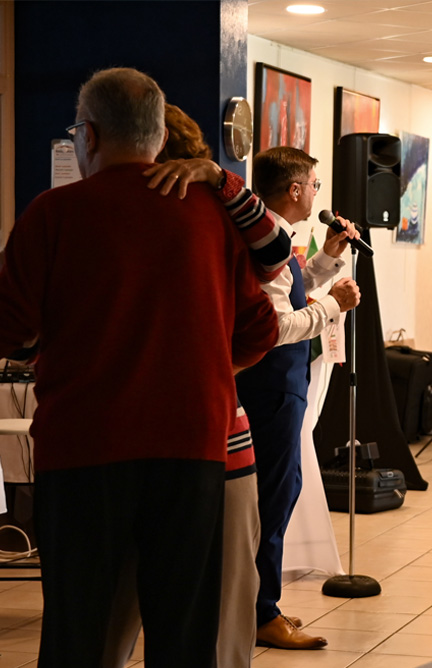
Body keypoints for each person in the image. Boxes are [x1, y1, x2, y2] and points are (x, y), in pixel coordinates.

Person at [0, 67, 278, 667]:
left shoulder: (53, 212)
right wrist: (202, 365)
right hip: (192, 445)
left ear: (89, 135)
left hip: (83, 448)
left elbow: (10, 329)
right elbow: (262, 328)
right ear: (160, 135)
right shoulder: (212, 215)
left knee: (78, 627)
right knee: (185, 628)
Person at [101, 103, 294, 668]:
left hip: (114, 439)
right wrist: (216, 368)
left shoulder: (81, 213)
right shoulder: (218, 223)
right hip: (212, 436)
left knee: (107, 608)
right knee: (218, 612)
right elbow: (269, 291)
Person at [239, 146, 361, 650]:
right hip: (269, 387)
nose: (316, 193)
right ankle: (261, 612)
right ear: (294, 190)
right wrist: (333, 305)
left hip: (281, 386)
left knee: (281, 489)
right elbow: (275, 327)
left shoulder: (274, 237)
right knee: (271, 497)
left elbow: (291, 290)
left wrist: (327, 259)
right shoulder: (263, 241)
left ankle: (258, 603)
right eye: (314, 185)